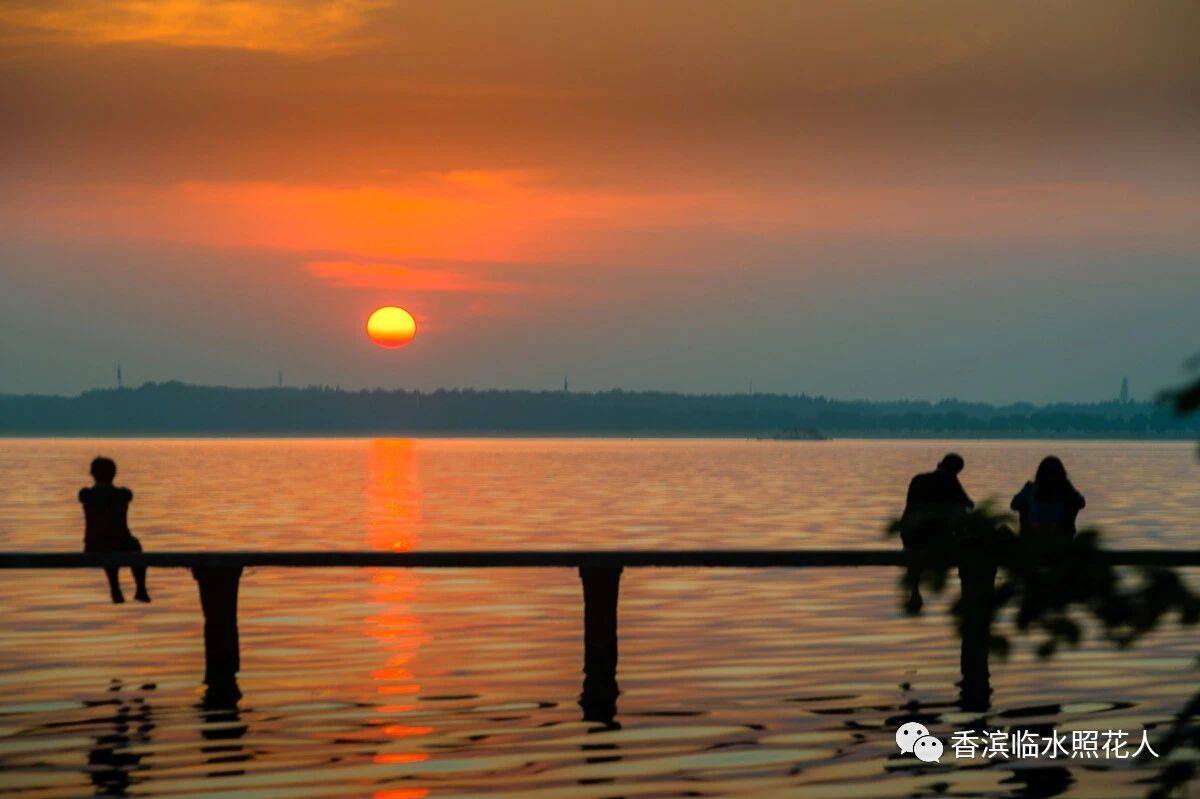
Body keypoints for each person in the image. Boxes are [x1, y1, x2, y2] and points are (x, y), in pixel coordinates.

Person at [899, 453, 975, 613]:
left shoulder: (918, 479)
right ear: (957, 471)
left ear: (940, 464)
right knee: (962, 518)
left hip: (909, 533)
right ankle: (965, 585)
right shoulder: (950, 482)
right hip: (931, 536)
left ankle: (914, 588)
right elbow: (968, 504)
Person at [79, 457, 150, 603]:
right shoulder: (123, 494)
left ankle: (115, 587)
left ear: (92, 474)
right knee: (133, 544)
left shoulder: (86, 494)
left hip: (94, 546)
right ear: (114, 473)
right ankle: (140, 588)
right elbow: (128, 495)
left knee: (110, 544)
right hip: (119, 544)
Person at [1010, 456, 1085, 542]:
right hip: (1061, 538)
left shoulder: (1030, 489)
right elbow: (1081, 502)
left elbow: (1014, 504)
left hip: (1032, 537)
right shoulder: (1066, 491)